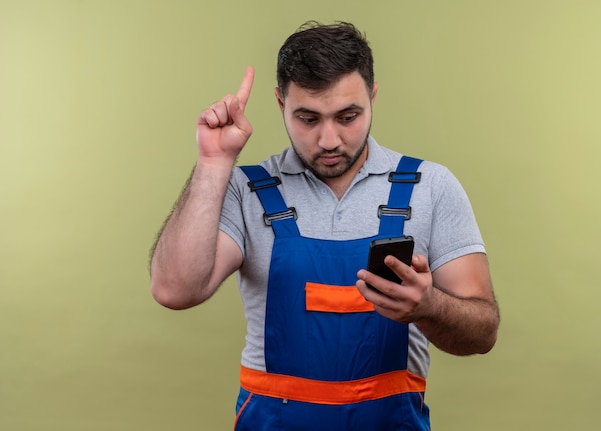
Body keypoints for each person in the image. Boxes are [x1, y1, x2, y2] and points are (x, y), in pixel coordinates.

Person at [150, 21, 499, 431]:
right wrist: (212, 163)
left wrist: (429, 308)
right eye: (308, 118)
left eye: (348, 116)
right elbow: (174, 290)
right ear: (280, 102)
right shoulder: (246, 190)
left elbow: (483, 332)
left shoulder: (431, 187)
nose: (330, 139)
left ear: (372, 95)